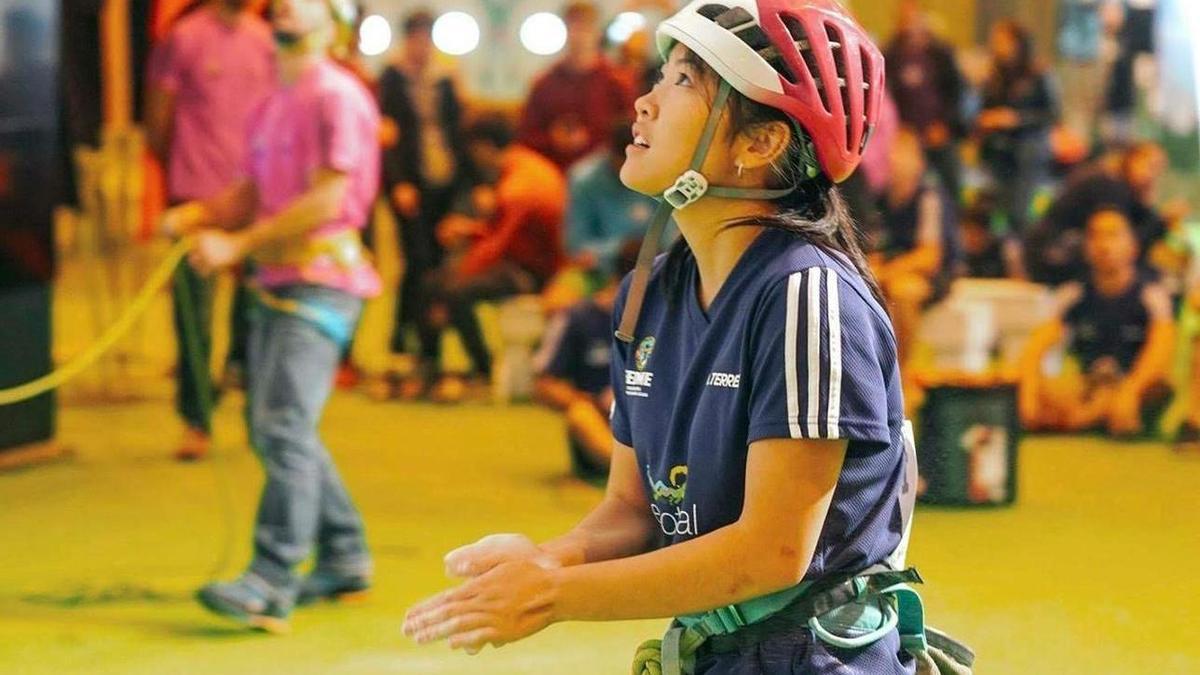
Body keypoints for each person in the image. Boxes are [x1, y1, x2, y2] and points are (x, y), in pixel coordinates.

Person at [404, 2, 952, 673]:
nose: (644, 103)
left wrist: (556, 593)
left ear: (761, 144)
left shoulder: (807, 296)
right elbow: (633, 506)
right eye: (663, 75)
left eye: (685, 82)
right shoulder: (648, 289)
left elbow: (772, 551)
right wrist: (548, 557)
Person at [160, 0, 380, 632]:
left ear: (330, 20)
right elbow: (252, 190)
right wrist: (200, 216)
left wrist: (236, 244)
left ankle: (271, 577)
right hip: (281, 282)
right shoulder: (277, 97)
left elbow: (329, 197)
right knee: (280, 428)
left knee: (282, 426)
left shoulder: (337, 96)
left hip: (321, 283)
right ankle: (344, 555)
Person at [145, 0, 274, 461]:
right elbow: (157, 121)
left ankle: (257, 417)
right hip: (196, 198)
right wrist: (180, 182)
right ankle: (195, 420)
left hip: (255, 199)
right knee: (194, 317)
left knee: (257, 313)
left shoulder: (265, 39)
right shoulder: (184, 37)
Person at [415, 116, 567, 402]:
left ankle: (482, 371)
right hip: (519, 261)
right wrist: (471, 230)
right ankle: (432, 367)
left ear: (483, 148)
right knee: (433, 284)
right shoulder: (525, 165)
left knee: (452, 292)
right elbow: (503, 232)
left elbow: (497, 246)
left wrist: (459, 274)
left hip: (532, 273)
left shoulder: (519, 185)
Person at [377, 9, 473, 378]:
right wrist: (397, 182)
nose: (420, 45)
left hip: (442, 182)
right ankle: (405, 341)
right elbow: (388, 138)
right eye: (415, 37)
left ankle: (425, 345)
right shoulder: (392, 77)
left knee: (436, 266)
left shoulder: (446, 77)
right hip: (409, 186)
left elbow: (457, 133)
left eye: (426, 37)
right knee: (415, 263)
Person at [1019, 208, 1174, 437]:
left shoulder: (1151, 296)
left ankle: (1079, 419)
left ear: (1132, 246)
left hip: (1135, 386)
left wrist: (1130, 390)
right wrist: (1028, 393)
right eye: (1095, 236)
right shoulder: (1072, 294)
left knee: (1155, 391)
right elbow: (1036, 348)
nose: (1103, 245)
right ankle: (1086, 418)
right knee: (1045, 390)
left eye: (1113, 235)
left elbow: (1159, 352)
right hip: (1089, 386)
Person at [534, 239, 640, 483]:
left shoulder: (667, 318)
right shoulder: (577, 318)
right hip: (600, 424)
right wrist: (587, 399)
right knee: (580, 414)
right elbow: (544, 384)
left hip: (647, 420)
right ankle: (635, 478)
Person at [1026, 142, 1183, 285]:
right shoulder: (1110, 187)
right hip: (1054, 256)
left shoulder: (1122, 190)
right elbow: (1123, 245)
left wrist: (1147, 206)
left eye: (1158, 170)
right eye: (1150, 166)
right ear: (1131, 160)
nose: (1152, 175)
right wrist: (1161, 222)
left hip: (1061, 251)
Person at [870, 127, 958, 371]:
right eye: (892, 154)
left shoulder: (928, 197)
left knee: (903, 292)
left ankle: (903, 374)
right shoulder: (881, 198)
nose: (895, 161)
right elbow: (874, 245)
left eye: (903, 154)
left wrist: (887, 273)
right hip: (891, 268)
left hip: (932, 276)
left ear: (918, 162)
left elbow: (929, 257)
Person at [517, 2, 636, 170]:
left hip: (605, 176)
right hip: (555, 172)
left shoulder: (618, 83)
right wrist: (553, 139)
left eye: (585, 27)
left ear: (597, 32)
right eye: (572, 26)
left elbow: (631, 134)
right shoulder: (544, 83)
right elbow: (526, 136)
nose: (577, 35)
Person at [976, 19, 1059, 237]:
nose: (998, 45)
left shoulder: (1038, 73)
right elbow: (984, 109)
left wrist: (1017, 119)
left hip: (1028, 150)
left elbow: (1051, 114)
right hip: (999, 152)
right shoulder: (994, 76)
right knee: (994, 211)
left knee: (1019, 213)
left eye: (1003, 40)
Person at [884, 0, 966, 202]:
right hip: (906, 136)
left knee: (950, 184)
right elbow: (886, 96)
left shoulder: (941, 54)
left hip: (939, 132)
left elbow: (956, 92)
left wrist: (945, 124)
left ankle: (953, 223)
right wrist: (899, 131)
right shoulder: (891, 54)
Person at [565, 120, 660, 282]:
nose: (630, 167)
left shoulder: (658, 170)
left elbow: (673, 234)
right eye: (624, 161)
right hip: (600, 273)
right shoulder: (584, 179)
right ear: (610, 153)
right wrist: (618, 249)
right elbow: (576, 245)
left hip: (658, 267)